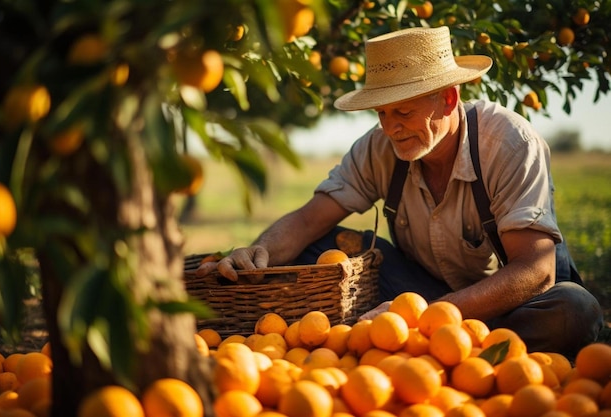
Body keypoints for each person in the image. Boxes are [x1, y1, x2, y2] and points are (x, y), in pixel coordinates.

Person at [196, 26, 604, 358]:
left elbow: (536, 269)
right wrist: (258, 250)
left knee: (574, 309)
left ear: (447, 99)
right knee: (318, 246)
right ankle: (434, 350)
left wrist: (426, 317)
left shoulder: (508, 144)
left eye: (404, 112)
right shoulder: (379, 148)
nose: (391, 128)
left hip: (504, 304)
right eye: (382, 113)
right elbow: (308, 218)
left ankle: (444, 350)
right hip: (415, 291)